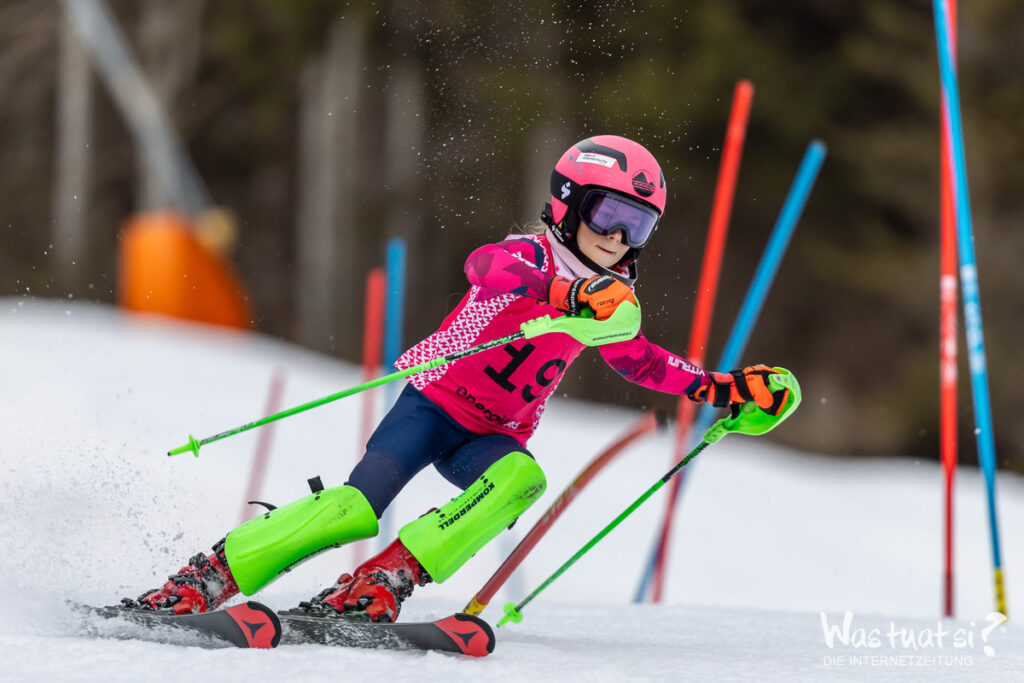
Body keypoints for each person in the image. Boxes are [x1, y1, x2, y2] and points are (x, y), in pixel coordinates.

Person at [130, 135, 788, 622]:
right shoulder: (531, 255)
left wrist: (727, 390)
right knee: (355, 509)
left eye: (637, 225)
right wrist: (566, 293)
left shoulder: (615, 301)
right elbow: (484, 267)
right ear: (568, 205)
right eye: (607, 215)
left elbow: (639, 360)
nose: (618, 238)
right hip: (432, 406)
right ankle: (211, 574)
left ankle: (386, 578)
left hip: (492, 435)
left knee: (522, 479)